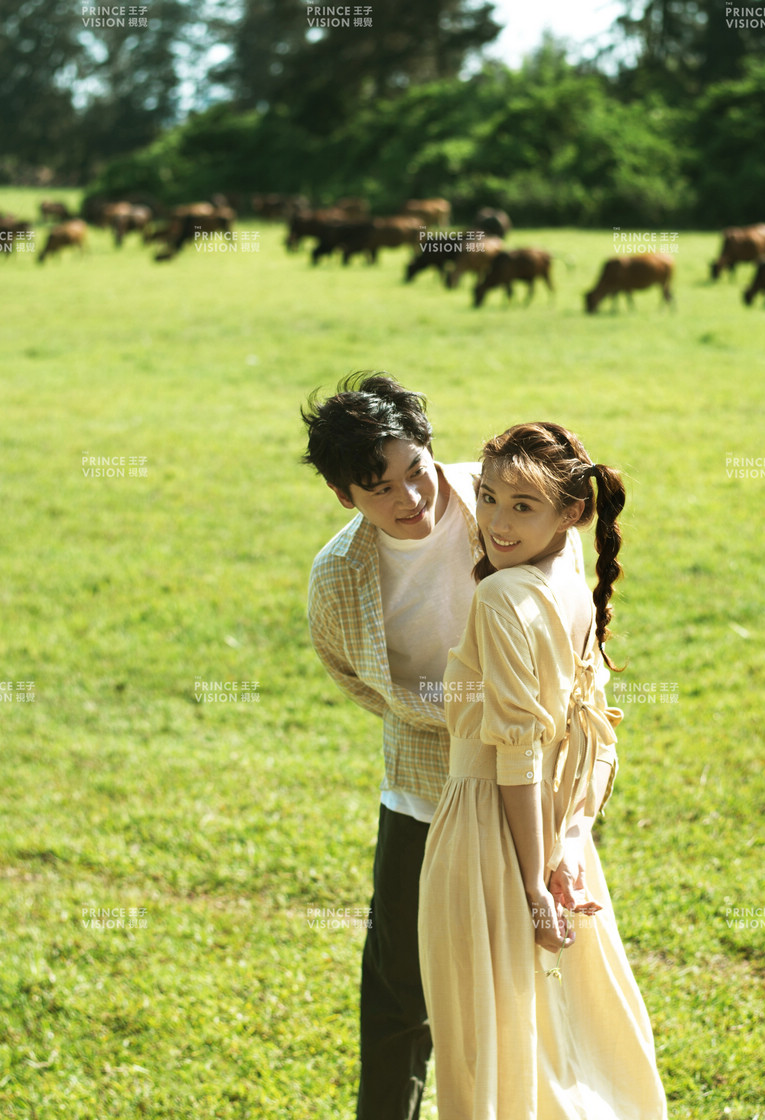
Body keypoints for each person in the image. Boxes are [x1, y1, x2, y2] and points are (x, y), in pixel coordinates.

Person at [418, 421, 667, 1119]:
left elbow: (517, 756)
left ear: (571, 512)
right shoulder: (570, 575)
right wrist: (568, 844)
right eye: (488, 497)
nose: (497, 522)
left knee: (487, 1049)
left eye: (522, 506)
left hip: (488, 837)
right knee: (558, 1040)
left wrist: (534, 887)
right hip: (556, 834)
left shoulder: (502, 598)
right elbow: (593, 731)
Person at [300, 372, 483, 1119]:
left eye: (417, 470)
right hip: (420, 787)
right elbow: (354, 675)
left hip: (533, 783)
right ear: (345, 496)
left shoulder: (501, 502)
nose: (411, 499)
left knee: (528, 979)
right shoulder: (338, 576)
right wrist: (449, 717)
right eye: (381, 490)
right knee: (400, 994)